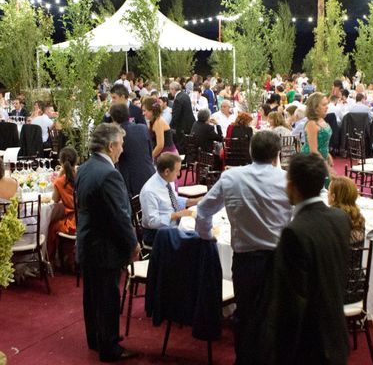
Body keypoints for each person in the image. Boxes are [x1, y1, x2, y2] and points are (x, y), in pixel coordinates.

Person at [195, 130, 292, 362]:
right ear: (277, 154)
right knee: (279, 315)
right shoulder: (288, 179)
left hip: (246, 260)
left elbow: (203, 210)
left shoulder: (232, 177)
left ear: (250, 151)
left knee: (246, 315)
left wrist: (206, 235)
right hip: (279, 259)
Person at [245, 153, 350, 364]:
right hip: (336, 330)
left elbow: (291, 302)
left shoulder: (294, 232)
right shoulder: (341, 218)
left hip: (310, 344)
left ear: (292, 186)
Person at [75, 123, 140, 362]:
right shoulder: (109, 173)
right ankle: (109, 347)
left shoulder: (84, 167)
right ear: (111, 145)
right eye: (121, 144)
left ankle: (96, 337)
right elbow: (120, 215)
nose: (123, 149)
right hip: (104, 247)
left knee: (92, 296)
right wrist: (133, 243)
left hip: (87, 241)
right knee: (108, 298)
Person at [139, 153, 200, 246]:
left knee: (199, 230)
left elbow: (172, 200)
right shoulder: (150, 191)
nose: (179, 174)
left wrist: (193, 201)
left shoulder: (166, 179)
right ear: (167, 171)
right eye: (177, 171)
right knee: (196, 241)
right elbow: (153, 222)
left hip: (172, 225)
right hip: (156, 233)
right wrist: (176, 215)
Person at [109, 104, 156, 197]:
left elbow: (114, 160)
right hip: (150, 174)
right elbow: (150, 152)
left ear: (113, 118)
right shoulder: (143, 128)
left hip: (130, 182)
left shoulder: (117, 135)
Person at [48, 147, 78, 261]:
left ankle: (52, 261)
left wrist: (60, 175)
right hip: (86, 218)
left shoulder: (60, 182)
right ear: (77, 160)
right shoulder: (82, 176)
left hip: (73, 223)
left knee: (51, 227)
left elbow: (54, 200)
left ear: (60, 162)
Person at [300, 92, 333, 175]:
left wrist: (328, 155)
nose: (327, 107)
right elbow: (313, 151)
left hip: (321, 158)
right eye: (324, 105)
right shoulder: (312, 123)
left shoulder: (321, 120)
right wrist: (326, 166)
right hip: (311, 162)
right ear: (315, 108)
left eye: (327, 104)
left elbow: (323, 142)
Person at [328, 176, 365, 243]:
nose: (327, 194)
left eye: (328, 191)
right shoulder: (358, 215)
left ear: (333, 197)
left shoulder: (331, 218)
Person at [169, 81, 195, 152]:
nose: (170, 91)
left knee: (181, 146)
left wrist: (169, 127)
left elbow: (175, 116)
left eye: (170, 89)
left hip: (182, 127)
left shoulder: (177, 99)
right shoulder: (185, 95)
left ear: (173, 89)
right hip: (190, 124)